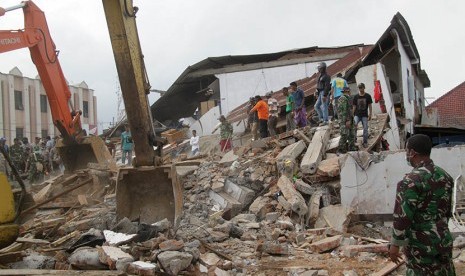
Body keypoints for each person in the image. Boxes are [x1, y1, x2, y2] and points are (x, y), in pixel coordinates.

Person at [390, 134, 456, 275]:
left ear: (412, 153)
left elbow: (402, 217)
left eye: (407, 151)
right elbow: (447, 211)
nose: (406, 154)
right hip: (443, 239)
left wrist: (395, 245)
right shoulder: (445, 176)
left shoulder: (409, 181)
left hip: (421, 244)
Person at [352, 83, 372, 148]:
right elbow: (354, 106)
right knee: (354, 126)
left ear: (364, 87)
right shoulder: (356, 97)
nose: (361, 89)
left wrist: (370, 114)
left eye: (362, 87)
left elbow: (370, 105)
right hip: (357, 114)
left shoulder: (368, 96)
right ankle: (354, 140)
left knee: (365, 128)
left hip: (364, 115)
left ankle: (365, 142)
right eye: (359, 88)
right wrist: (352, 114)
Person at [337, 87, 356, 154]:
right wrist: (347, 120)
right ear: (347, 91)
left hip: (350, 119)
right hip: (344, 120)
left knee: (351, 134)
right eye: (349, 91)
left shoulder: (347, 98)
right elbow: (344, 111)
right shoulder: (343, 99)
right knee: (344, 135)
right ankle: (341, 150)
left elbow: (349, 110)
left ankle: (352, 148)